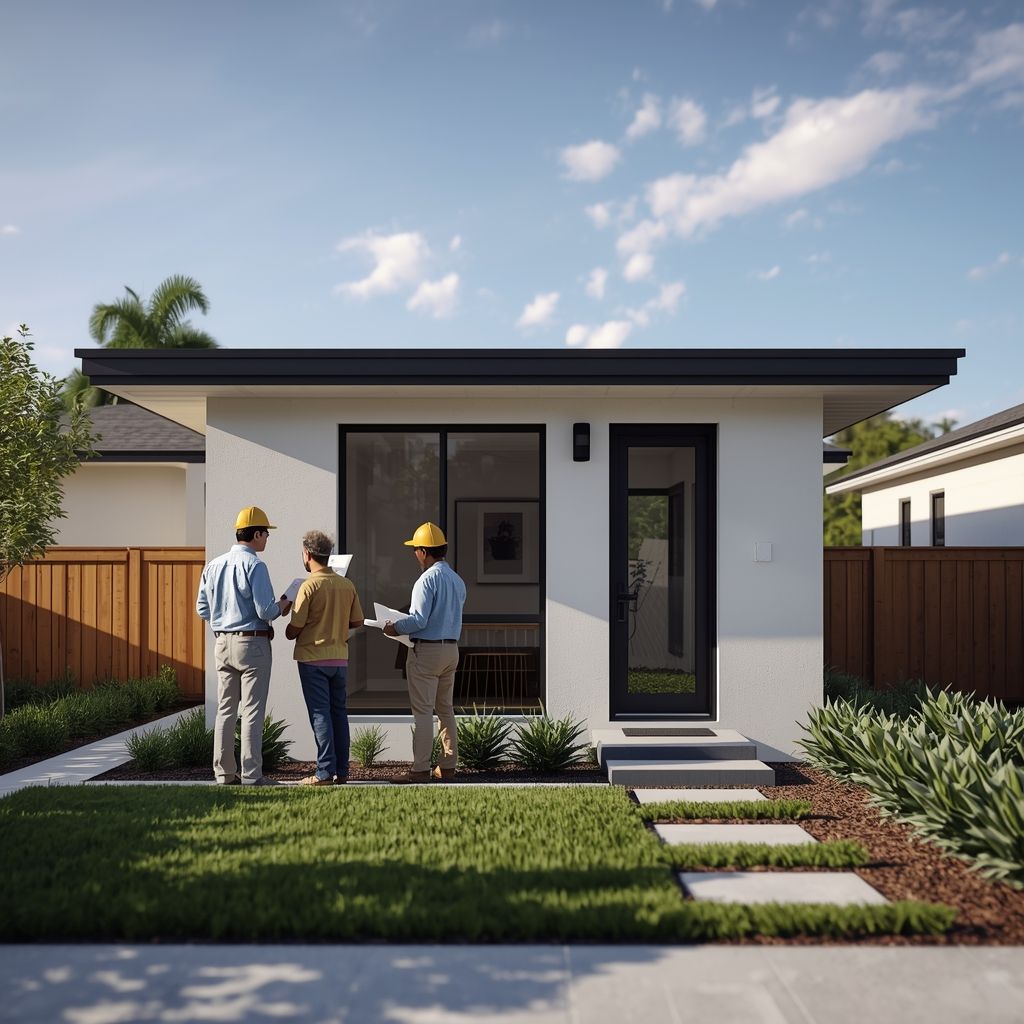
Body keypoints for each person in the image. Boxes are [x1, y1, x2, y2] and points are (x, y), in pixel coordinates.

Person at [196, 506, 291, 786]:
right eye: (266, 534)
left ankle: (224, 774)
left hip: (222, 643)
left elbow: (202, 608)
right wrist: (284, 604)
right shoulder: (256, 565)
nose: (267, 539)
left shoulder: (213, 564)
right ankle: (252, 775)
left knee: (225, 710)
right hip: (252, 643)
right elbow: (266, 611)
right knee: (251, 711)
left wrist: (223, 618)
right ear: (257, 534)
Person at [384, 522, 467, 784]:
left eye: (415, 550)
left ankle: (420, 769)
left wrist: (394, 626)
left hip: (427, 652)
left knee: (422, 712)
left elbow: (418, 620)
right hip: (451, 650)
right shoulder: (457, 580)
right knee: (445, 709)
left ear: (423, 551)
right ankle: (448, 765)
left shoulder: (426, 580)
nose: (415, 555)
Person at [285, 530, 364, 785]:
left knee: (320, 714)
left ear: (307, 554)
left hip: (312, 658)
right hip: (339, 658)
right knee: (339, 713)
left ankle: (324, 772)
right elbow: (357, 621)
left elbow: (293, 630)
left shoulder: (308, 585)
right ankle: (342, 771)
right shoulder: (346, 584)